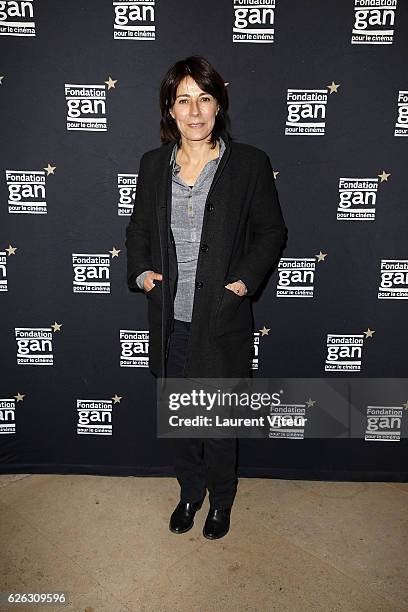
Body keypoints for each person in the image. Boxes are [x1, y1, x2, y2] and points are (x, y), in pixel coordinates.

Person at [125, 55, 287, 540]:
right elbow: (136, 230)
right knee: (180, 419)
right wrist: (142, 275)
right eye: (184, 100)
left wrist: (242, 281)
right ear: (169, 110)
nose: (195, 111)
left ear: (218, 105)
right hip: (169, 318)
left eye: (205, 99)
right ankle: (189, 493)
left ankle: (220, 501)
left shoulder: (250, 164)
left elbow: (271, 231)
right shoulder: (153, 165)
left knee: (217, 423)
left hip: (221, 315)